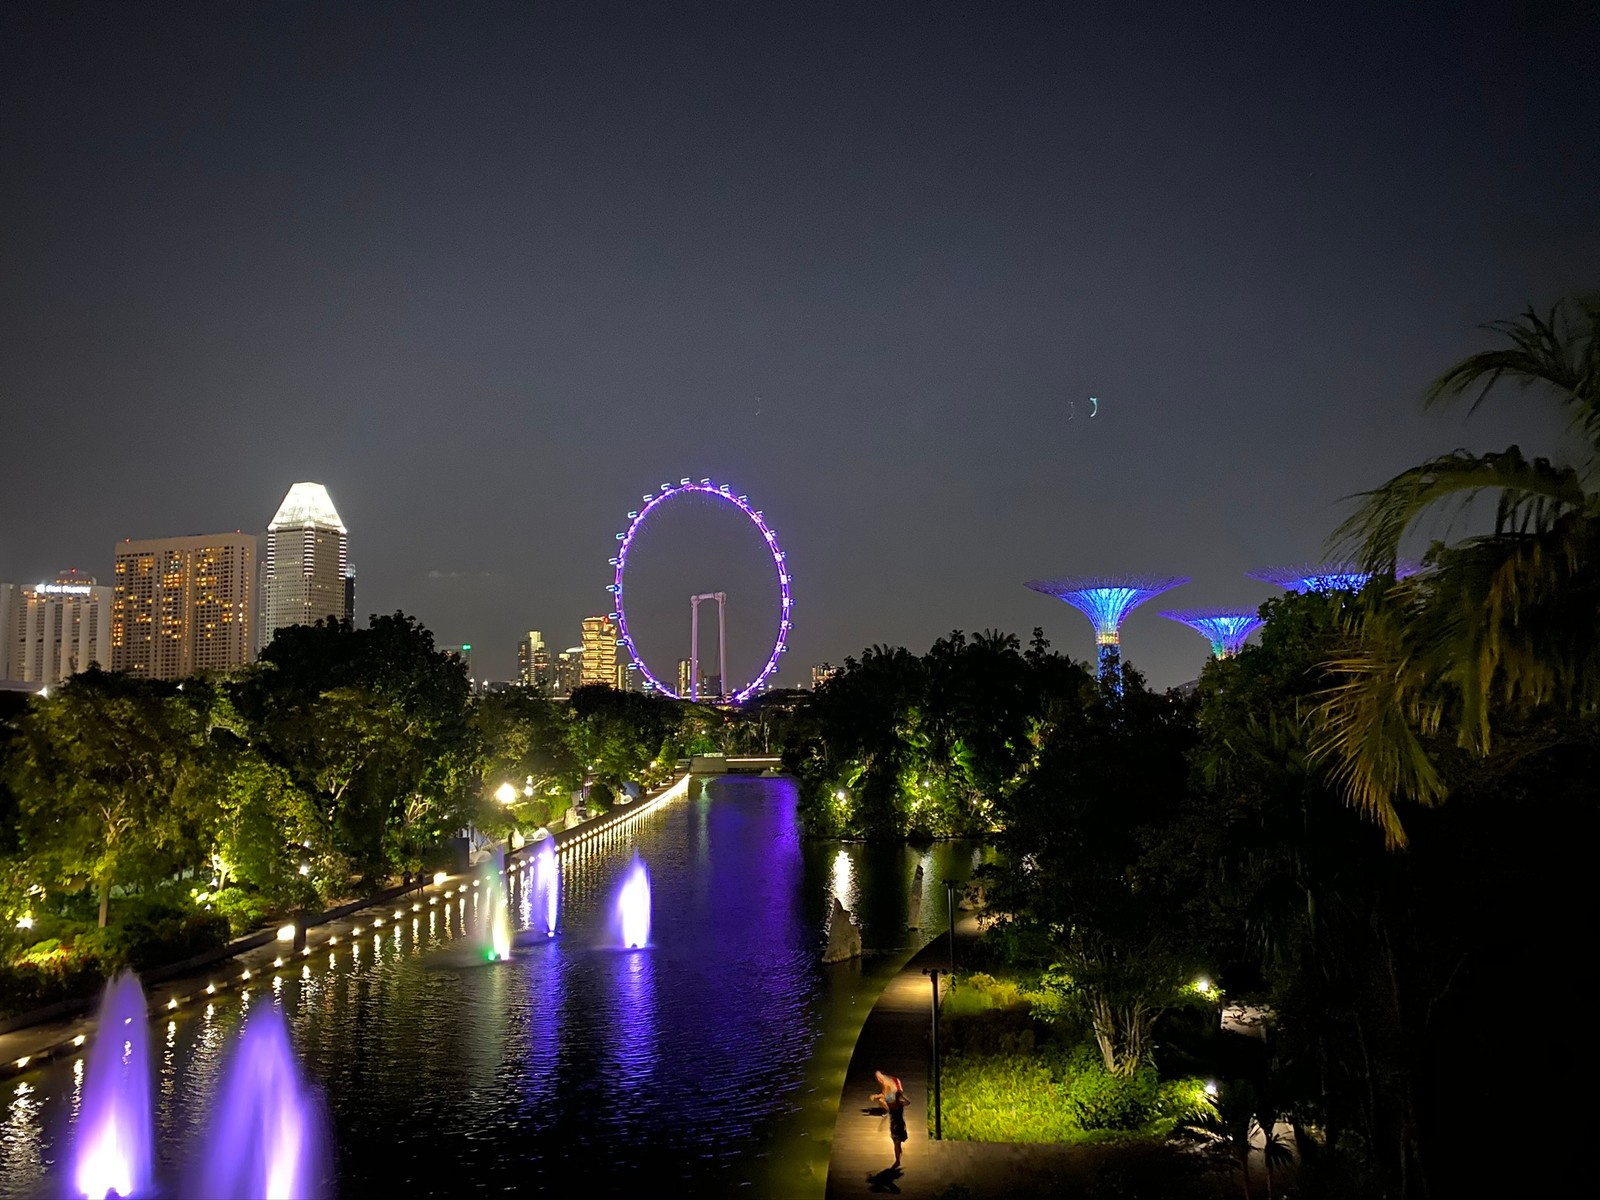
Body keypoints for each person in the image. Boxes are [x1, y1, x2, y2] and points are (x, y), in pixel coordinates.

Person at [871, 1070, 908, 1169]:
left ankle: (897, 1160)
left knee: (896, 1142)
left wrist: (877, 1097)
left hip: (895, 1125)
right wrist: (902, 1098)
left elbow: (885, 1097)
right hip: (900, 1124)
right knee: (898, 1142)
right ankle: (898, 1159)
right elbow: (908, 1102)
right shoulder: (899, 1104)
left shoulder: (891, 1103)